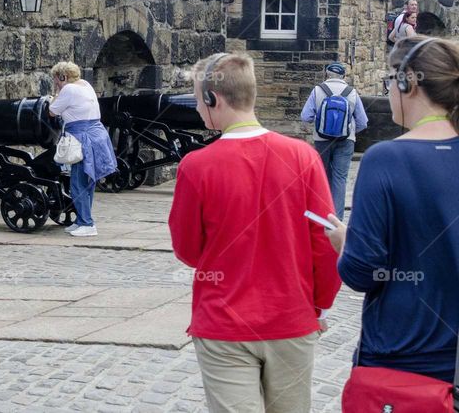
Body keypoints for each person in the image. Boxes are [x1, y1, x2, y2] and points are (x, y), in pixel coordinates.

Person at [169, 52, 341, 413]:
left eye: (198, 99)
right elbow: (325, 244)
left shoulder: (196, 166)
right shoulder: (303, 157)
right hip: (291, 319)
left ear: (214, 98)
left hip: (224, 321)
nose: (198, 108)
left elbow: (187, 249)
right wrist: (318, 305)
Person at [326, 36, 459, 387]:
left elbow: (362, 272)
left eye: (389, 80)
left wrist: (344, 243)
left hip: (401, 358)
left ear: (407, 82)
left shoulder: (386, 159)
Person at [47, 61, 116, 237]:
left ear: (63, 77)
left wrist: (56, 92)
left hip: (82, 137)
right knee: (87, 181)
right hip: (96, 134)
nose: (55, 82)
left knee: (78, 183)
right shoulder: (85, 84)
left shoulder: (68, 89)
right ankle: (81, 220)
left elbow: (52, 111)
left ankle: (87, 224)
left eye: (56, 79)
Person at [299, 62, 368, 220]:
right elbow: (363, 122)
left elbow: (306, 116)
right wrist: (350, 132)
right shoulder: (352, 92)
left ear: (326, 74)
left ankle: (322, 214)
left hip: (321, 139)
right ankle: (336, 219)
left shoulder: (318, 90)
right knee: (340, 178)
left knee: (322, 176)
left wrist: (319, 124)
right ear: (343, 76)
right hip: (346, 140)